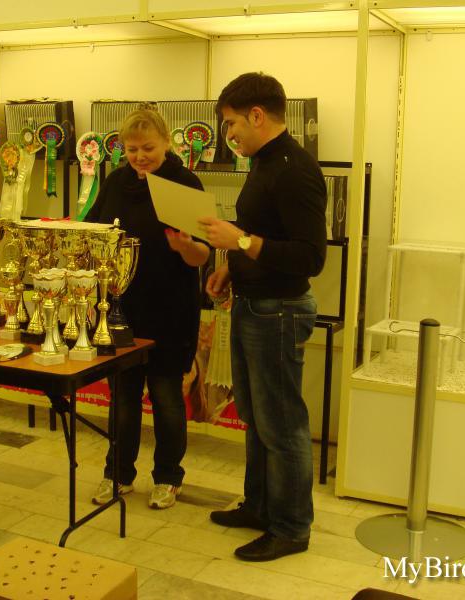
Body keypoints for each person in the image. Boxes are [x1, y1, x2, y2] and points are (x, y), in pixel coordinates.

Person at [199, 72, 327, 561]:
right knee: (256, 418)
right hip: (255, 305)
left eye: (232, 123)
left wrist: (239, 241)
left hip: (279, 312)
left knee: (283, 425)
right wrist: (231, 266)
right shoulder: (264, 163)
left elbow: (310, 257)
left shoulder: (295, 169)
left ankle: (291, 528)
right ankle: (260, 507)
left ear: (257, 115)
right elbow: (260, 234)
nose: (229, 134)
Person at [86, 106, 210, 509]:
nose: (140, 157)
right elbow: (95, 234)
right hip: (122, 310)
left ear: (167, 144)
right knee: (122, 399)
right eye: (132, 149)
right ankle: (118, 473)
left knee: (166, 397)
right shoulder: (116, 182)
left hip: (171, 311)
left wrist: (185, 246)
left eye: (148, 149)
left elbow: (202, 256)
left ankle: (168, 477)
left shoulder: (184, 183)